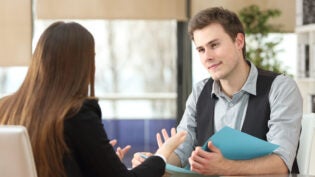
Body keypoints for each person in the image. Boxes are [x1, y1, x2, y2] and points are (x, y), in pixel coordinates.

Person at [0, 21, 187, 177]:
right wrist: (162, 155)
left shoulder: (5, 108)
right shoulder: (76, 112)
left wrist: (101, 165)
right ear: (82, 65)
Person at [132, 7, 303, 176]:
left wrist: (226, 167)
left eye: (214, 45)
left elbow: (281, 163)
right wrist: (156, 163)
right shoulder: (199, 91)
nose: (207, 56)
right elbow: (182, 150)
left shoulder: (280, 88)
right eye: (201, 50)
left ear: (239, 42)